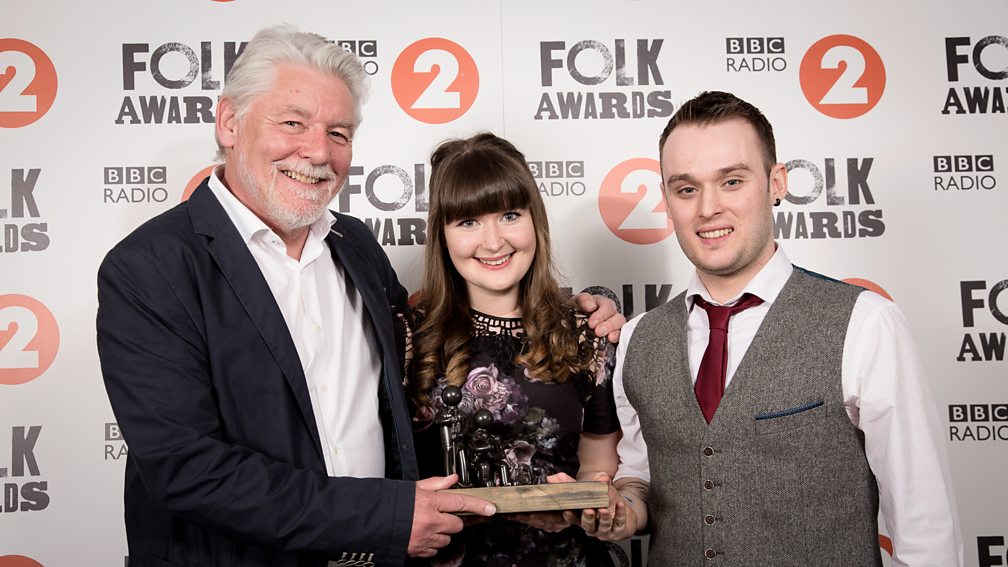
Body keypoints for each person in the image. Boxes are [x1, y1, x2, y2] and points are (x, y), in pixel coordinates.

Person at [96, 26, 623, 567]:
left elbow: (456, 321)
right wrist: (384, 518)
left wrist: (586, 308)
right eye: (293, 123)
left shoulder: (356, 246)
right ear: (229, 122)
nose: (317, 151)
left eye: (339, 133)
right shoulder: (150, 267)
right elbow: (186, 468)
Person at [605, 91, 963, 566]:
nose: (708, 208)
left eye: (732, 181)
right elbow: (641, 477)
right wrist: (617, 509)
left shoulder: (864, 323)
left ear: (776, 183)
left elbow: (925, 528)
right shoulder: (638, 338)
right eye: (686, 189)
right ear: (667, 200)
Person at [406, 133, 621, 566]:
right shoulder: (410, 334)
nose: (493, 242)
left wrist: (586, 502)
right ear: (442, 235)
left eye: (509, 215)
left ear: (534, 219)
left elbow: (598, 464)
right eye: (468, 222)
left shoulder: (586, 330)